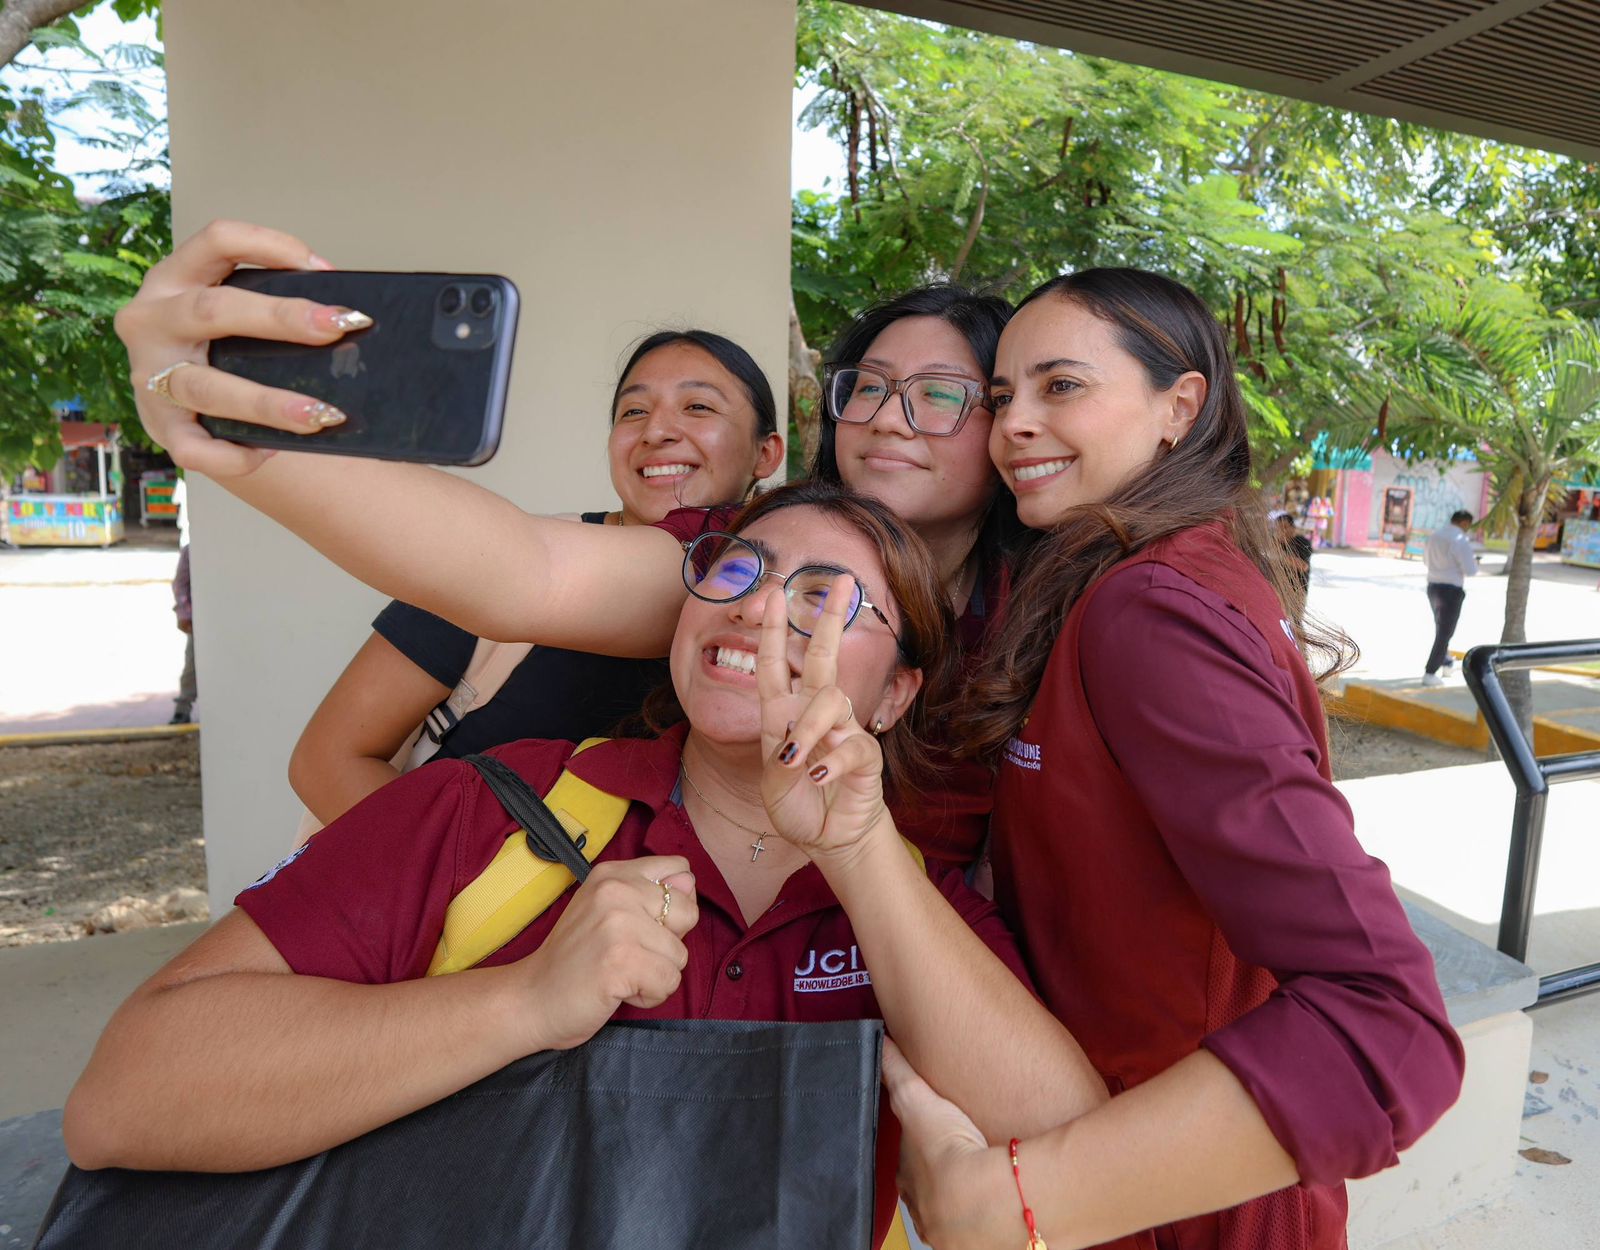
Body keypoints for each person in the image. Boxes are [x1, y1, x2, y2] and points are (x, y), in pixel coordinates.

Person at [63, 481, 1107, 1250]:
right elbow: (124, 1097)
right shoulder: (485, 805)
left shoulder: (916, 904)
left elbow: (1071, 1152)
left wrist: (860, 850)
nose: (755, 608)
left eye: (825, 598)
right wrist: (524, 1001)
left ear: (896, 694)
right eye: (735, 570)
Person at [115, 221, 1017, 868]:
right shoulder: (730, 558)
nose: (890, 418)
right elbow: (525, 569)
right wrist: (247, 437)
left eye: (942, 394)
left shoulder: (1039, 610)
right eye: (869, 387)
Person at [882, 269, 1463, 1250]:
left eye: (1061, 386)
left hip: (1183, 1207)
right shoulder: (1109, 575)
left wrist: (1018, 1197)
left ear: (1179, 407)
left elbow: (1384, 1025)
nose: (1013, 423)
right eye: (1002, 396)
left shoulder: (1150, 608)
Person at [289, 329, 784, 826]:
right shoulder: (505, 563)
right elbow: (329, 760)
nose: (656, 430)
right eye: (633, 411)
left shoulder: (790, 598)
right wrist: (477, 880)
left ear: (767, 453)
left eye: (698, 406)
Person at [1421, 508, 1477, 686]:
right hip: (1451, 589)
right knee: (1445, 632)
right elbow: (1470, 570)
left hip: (1433, 586)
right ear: (1464, 523)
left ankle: (1446, 663)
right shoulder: (1460, 539)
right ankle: (1430, 672)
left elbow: (1425, 560)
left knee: (1442, 628)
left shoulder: (1435, 535)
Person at [169, 476, 196, 725]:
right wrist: (185, 614)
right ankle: (183, 708)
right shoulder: (190, 552)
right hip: (198, 620)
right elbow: (180, 585)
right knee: (192, 665)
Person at [1270, 508, 1312, 594]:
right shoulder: (1272, 542)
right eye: (1278, 528)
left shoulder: (1301, 542)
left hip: (1297, 590)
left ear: (1293, 528)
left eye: (1285, 527)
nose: (1282, 531)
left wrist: (1278, 556)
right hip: (1278, 589)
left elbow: (1303, 566)